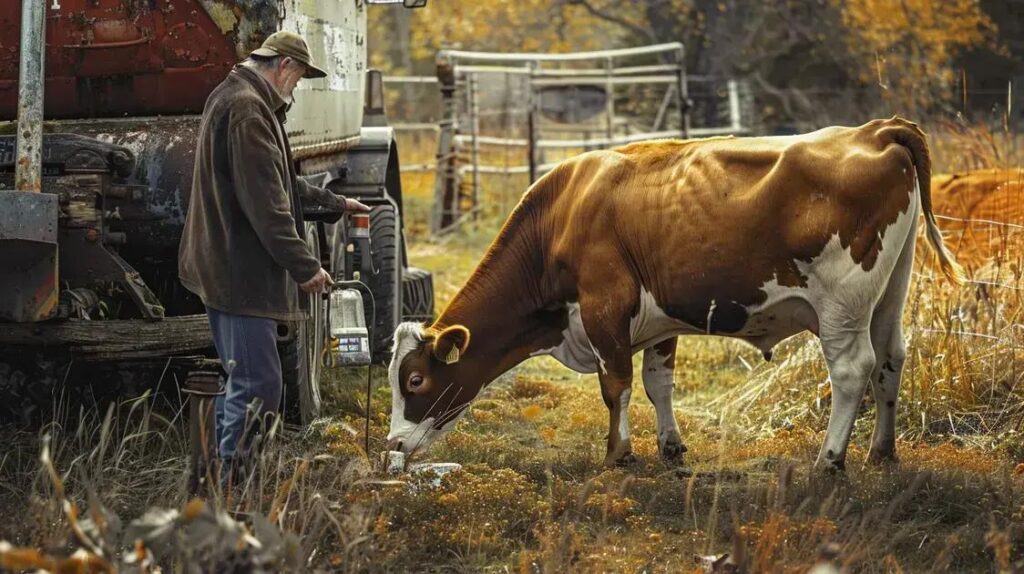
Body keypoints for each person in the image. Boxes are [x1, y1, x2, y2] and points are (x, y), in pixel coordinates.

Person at [178, 31, 369, 479]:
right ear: (285, 66)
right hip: (237, 272)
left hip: (225, 263)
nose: (297, 87)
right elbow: (268, 205)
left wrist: (337, 203)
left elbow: (277, 181)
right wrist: (305, 267)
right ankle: (234, 488)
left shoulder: (242, 98)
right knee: (259, 385)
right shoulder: (248, 110)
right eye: (299, 78)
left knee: (242, 381)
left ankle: (211, 478)